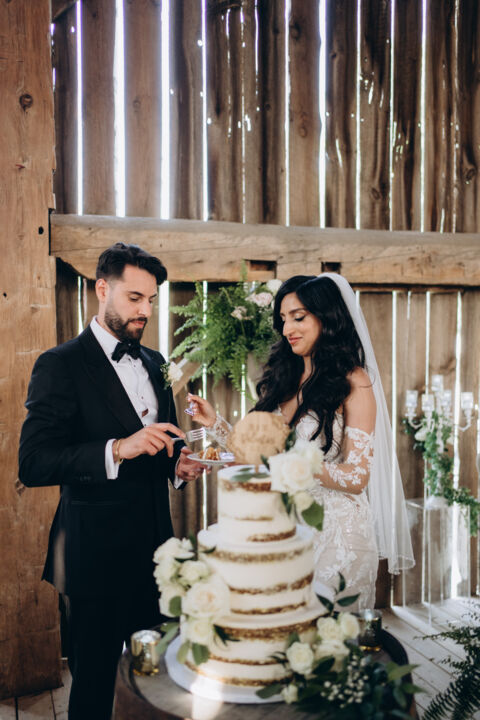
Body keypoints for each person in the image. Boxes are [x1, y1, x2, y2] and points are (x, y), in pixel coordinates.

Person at [19, 243, 204, 720]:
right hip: (93, 561)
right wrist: (117, 448)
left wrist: (176, 468)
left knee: (159, 685)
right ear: (102, 289)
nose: (146, 311)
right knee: (94, 692)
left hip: (156, 557)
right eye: (134, 298)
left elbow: (157, 448)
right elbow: (33, 463)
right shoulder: (60, 364)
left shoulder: (156, 363)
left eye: (151, 300)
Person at [187, 273, 414, 610]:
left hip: (339, 535)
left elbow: (356, 477)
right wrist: (215, 423)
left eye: (298, 317)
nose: (287, 329)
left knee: (324, 633)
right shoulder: (286, 378)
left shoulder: (354, 381)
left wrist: (293, 464)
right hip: (287, 526)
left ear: (326, 318)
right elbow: (262, 451)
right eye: (283, 319)